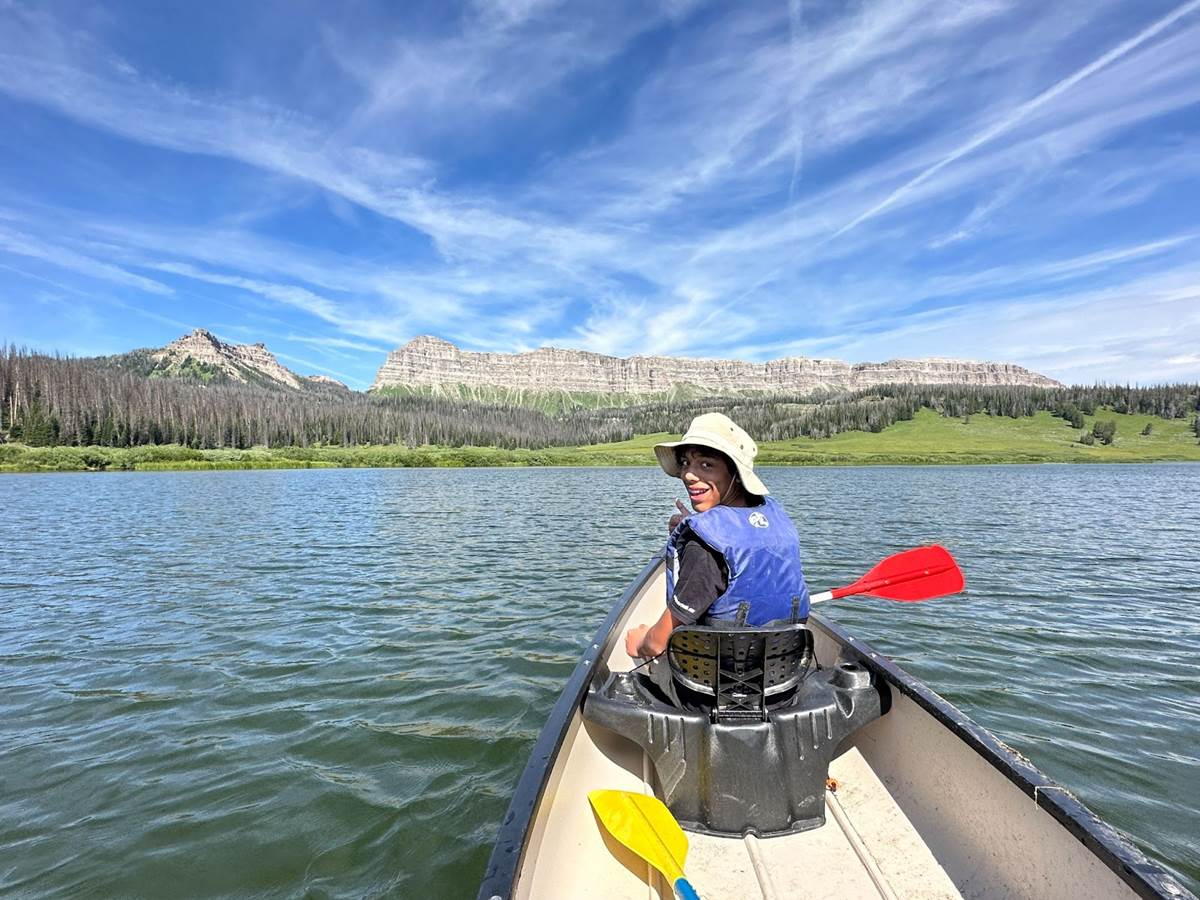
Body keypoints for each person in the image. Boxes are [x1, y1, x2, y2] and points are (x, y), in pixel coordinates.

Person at [624, 413, 810, 659]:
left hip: (710, 690)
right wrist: (697, 524)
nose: (688, 475)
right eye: (685, 463)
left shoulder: (703, 547)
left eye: (706, 465)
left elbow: (657, 645)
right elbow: (738, 536)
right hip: (784, 678)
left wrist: (639, 643)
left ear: (735, 473)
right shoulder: (774, 519)